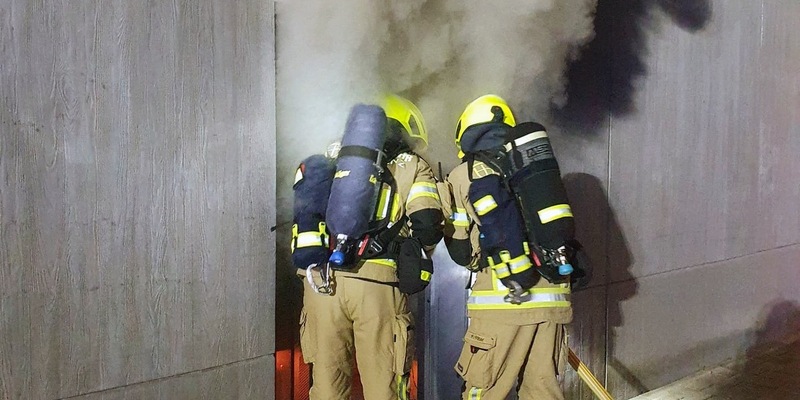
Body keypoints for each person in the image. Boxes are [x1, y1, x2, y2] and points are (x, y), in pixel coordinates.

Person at [292, 95, 444, 400]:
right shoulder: (412, 164)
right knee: (383, 388)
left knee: (326, 389)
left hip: (322, 285)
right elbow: (427, 225)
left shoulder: (329, 156)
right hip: (378, 285)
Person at [441, 94, 574, 400]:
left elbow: (464, 254)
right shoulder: (534, 167)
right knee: (543, 392)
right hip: (552, 300)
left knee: (485, 392)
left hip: (503, 302)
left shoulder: (464, 174)